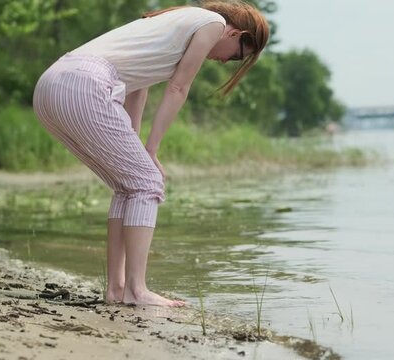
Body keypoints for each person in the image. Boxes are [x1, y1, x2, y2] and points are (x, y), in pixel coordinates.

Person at [32, 1, 269, 307]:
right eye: (237, 54)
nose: (226, 62)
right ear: (235, 32)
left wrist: (136, 149)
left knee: (129, 184)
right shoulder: (212, 24)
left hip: (52, 85)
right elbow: (178, 89)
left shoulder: (174, 23)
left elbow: (136, 87)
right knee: (147, 182)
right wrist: (151, 151)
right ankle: (137, 290)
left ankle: (117, 289)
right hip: (85, 83)